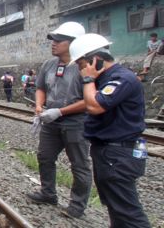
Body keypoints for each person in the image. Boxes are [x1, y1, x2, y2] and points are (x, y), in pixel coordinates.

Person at [69, 33, 150, 227]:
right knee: (116, 207)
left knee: (128, 212)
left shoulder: (122, 79)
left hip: (119, 154)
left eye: (81, 64)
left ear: (94, 60)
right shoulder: (107, 78)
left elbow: (95, 106)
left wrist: (88, 80)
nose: (80, 70)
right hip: (110, 152)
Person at [26, 21, 92, 219]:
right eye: (52, 40)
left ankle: (77, 205)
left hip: (76, 122)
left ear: (73, 43)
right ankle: (48, 193)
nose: (53, 43)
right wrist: (39, 106)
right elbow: (40, 88)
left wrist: (61, 111)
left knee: (79, 164)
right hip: (51, 121)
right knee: (45, 156)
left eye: (58, 40)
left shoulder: (84, 66)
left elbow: (90, 100)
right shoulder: (49, 64)